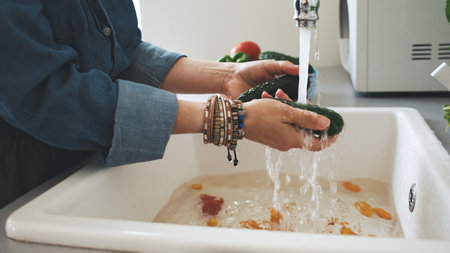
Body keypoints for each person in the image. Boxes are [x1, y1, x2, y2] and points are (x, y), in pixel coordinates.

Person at [0, 0, 336, 208]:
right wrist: (232, 119)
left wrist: (227, 75)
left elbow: (120, 51)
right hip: (23, 173)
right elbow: (51, 95)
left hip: (91, 156)